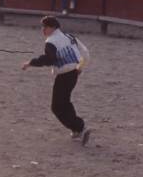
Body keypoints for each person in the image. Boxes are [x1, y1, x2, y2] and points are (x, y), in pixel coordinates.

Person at [21, 16, 91, 145]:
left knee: (56, 107)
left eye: (45, 27)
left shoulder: (51, 42)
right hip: (74, 73)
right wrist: (80, 68)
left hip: (63, 76)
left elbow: (49, 59)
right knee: (65, 102)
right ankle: (76, 130)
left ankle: (81, 127)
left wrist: (31, 63)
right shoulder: (69, 36)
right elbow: (85, 52)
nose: (43, 30)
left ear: (52, 27)